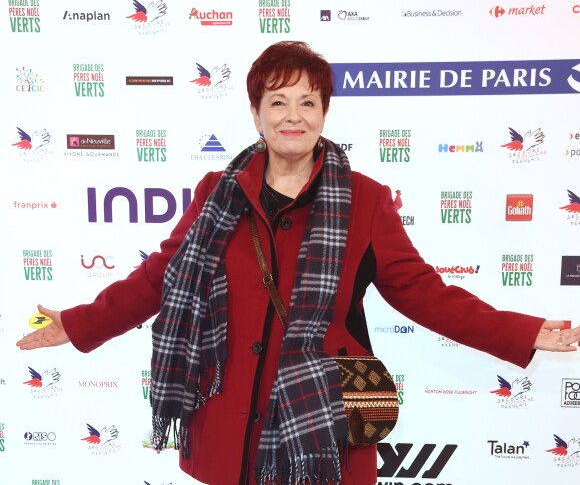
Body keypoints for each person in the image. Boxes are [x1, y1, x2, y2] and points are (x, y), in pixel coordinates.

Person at [17, 41, 580, 485]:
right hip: (232, 418)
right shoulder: (217, 192)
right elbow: (161, 276)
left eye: (308, 101)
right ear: (256, 112)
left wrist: (525, 332)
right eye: (278, 101)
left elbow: (422, 292)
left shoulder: (365, 199)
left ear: (325, 112)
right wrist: (77, 322)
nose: (293, 116)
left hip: (324, 421)